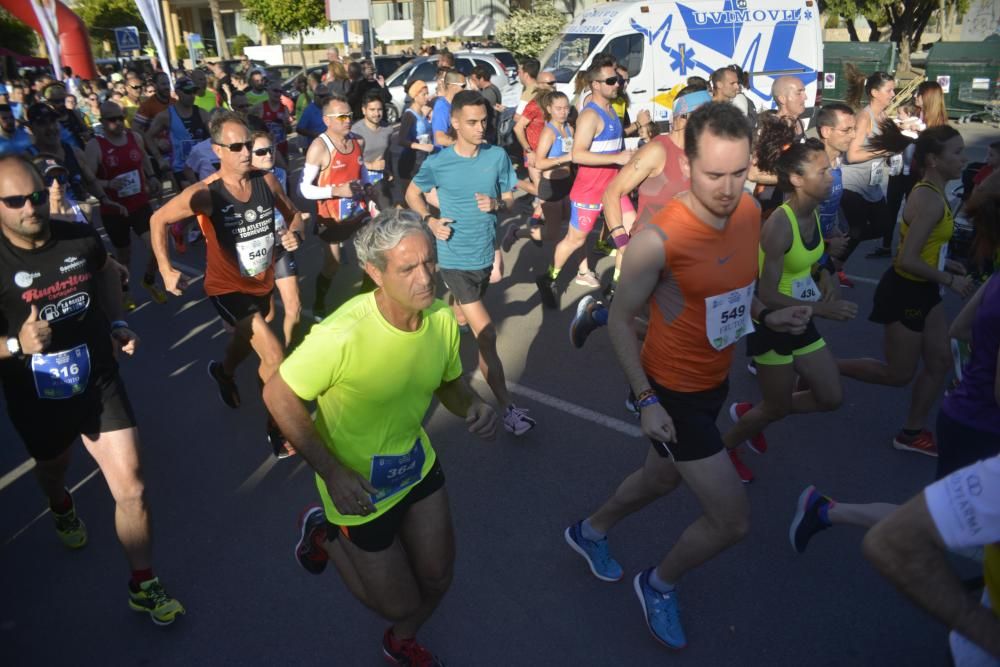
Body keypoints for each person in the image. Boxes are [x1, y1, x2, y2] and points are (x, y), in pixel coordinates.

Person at [562, 102, 811, 650]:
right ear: (687, 162)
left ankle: (590, 530)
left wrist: (770, 315)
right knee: (731, 519)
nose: (727, 188)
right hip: (671, 388)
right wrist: (646, 398)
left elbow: (735, 298)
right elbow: (623, 321)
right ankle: (658, 584)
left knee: (660, 477)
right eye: (713, 174)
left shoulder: (749, 214)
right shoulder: (660, 238)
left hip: (715, 378)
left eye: (739, 172)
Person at [266, 210, 496, 666]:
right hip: (357, 487)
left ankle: (401, 640)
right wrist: (331, 472)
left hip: (416, 467)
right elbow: (278, 393)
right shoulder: (342, 334)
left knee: (438, 577)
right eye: (407, 268)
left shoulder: (440, 320)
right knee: (395, 603)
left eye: (429, 262)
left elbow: (448, 382)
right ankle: (325, 534)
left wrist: (472, 404)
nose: (425, 277)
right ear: (374, 273)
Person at [0, 154, 184, 625]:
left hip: (97, 378)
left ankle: (143, 584)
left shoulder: (76, 234)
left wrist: (117, 319)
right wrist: (14, 343)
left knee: (133, 487)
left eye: (37, 196)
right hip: (36, 394)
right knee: (53, 467)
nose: (31, 208)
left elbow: (104, 270)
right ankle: (59, 503)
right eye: (15, 200)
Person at [149, 111, 305, 457]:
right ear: (217, 150)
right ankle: (277, 430)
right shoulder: (206, 194)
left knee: (245, 341)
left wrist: (293, 234)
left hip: (260, 282)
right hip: (225, 288)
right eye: (236, 147)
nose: (246, 152)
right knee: (273, 352)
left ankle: (223, 371)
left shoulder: (267, 181)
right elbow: (158, 218)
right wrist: (165, 268)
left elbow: (294, 215)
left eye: (248, 144)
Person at [722, 134, 858, 482]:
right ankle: (725, 450)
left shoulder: (813, 215)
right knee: (778, 406)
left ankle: (755, 413)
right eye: (823, 171)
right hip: (774, 324)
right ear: (797, 180)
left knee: (830, 397)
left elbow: (816, 256)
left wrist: (826, 274)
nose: (831, 177)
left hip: (802, 317)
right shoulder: (780, 225)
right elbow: (765, 292)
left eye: (830, 170)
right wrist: (823, 310)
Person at [839, 125, 976, 456]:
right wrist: (948, 279)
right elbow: (906, 260)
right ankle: (821, 367)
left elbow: (923, 250)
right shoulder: (928, 198)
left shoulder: (934, 190)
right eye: (956, 152)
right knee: (898, 374)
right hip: (906, 291)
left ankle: (912, 433)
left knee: (940, 361)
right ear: (932, 159)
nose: (964, 158)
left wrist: (945, 265)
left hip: (924, 289)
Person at [406, 90, 537, 436]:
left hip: (483, 254)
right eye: (473, 122)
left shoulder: (496, 157)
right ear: (455, 122)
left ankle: (438, 324)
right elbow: (411, 193)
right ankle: (508, 408)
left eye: (484, 121)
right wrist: (430, 220)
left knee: (462, 314)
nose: (481, 128)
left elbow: (510, 200)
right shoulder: (439, 162)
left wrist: (495, 204)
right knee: (487, 334)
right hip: (453, 258)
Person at [568, 89, 712, 349]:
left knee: (676, 329)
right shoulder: (658, 150)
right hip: (651, 253)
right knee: (670, 331)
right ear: (681, 118)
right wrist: (623, 242)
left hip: (688, 253)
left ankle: (599, 316)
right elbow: (613, 192)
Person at [535, 58, 634, 309]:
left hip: (615, 188)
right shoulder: (590, 115)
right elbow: (578, 154)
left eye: (619, 80)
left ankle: (616, 288)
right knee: (576, 240)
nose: (617, 84)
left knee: (631, 234)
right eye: (611, 81)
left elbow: (615, 149)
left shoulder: (613, 110)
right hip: (589, 190)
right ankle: (549, 278)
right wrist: (617, 157)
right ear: (595, 85)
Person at [83, 101, 166, 310]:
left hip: (139, 203)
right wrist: (108, 184)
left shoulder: (134, 137)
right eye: (112, 120)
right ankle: (126, 291)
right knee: (124, 256)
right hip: (114, 210)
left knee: (157, 245)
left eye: (121, 118)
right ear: (102, 122)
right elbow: (88, 179)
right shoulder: (95, 146)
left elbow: (143, 161)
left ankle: (148, 280)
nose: (118, 123)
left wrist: (152, 176)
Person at [300, 93, 375, 319]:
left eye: (349, 115)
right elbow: (303, 189)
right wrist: (335, 191)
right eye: (341, 116)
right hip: (330, 217)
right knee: (331, 265)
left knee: (371, 258)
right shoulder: (319, 147)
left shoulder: (357, 141)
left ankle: (364, 303)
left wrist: (368, 185)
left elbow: (361, 170)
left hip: (357, 211)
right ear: (327, 120)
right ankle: (320, 303)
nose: (348, 120)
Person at [501, 90, 574, 252]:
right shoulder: (548, 132)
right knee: (551, 234)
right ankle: (516, 233)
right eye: (558, 108)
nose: (563, 112)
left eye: (566, 108)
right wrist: (566, 158)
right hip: (551, 186)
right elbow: (540, 163)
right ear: (549, 109)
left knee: (568, 220)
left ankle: (534, 221)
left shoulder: (569, 129)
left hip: (567, 183)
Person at [250, 129, 302, 348]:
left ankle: (289, 353)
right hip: (256, 256)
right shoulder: (237, 185)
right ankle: (269, 355)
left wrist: (296, 231)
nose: (268, 156)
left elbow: (292, 211)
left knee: (295, 308)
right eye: (261, 152)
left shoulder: (278, 174)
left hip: (280, 246)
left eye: (270, 150)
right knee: (268, 315)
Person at [840, 67, 896, 261]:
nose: (893, 94)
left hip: (871, 182)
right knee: (856, 231)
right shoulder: (865, 117)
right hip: (853, 182)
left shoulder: (884, 116)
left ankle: (833, 248)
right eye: (889, 90)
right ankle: (833, 261)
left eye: (893, 90)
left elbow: (885, 148)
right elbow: (852, 155)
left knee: (883, 226)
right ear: (874, 93)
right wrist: (884, 150)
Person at [813, 103, 857, 287]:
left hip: (824, 252)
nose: (853, 135)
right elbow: (797, 223)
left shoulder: (836, 162)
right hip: (807, 258)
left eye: (853, 129)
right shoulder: (813, 169)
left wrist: (833, 229)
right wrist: (827, 244)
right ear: (826, 132)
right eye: (846, 130)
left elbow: (826, 209)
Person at [391, 81, 434, 205]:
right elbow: (401, 140)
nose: (427, 97)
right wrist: (421, 146)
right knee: (412, 199)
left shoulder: (422, 112)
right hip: (410, 162)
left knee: (423, 196)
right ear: (415, 96)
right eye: (423, 95)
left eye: (427, 94)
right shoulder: (409, 115)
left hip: (422, 159)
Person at [351, 91, 394, 211]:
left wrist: (389, 171)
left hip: (382, 178)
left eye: (379, 109)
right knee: (386, 209)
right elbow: (351, 161)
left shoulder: (388, 129)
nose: (376, 113)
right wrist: (371, 165)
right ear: (364, 110)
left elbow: (388, 154)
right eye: (372, 109)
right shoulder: (355, 132)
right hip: (362, 179)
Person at [254, 80, 293, 160]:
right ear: (268, 91)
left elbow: (289, 131)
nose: (278, 94)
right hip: (266, 148)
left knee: (285, 171)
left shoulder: (284, 108)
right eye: (275, 91)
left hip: (281, 147)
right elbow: (247, 116)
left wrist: (286, 125)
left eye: (280, 91)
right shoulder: (261, 106)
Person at [431, 71, 466, 148]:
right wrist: (466, 143)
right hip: (444, 156)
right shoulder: (442, 107)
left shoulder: (454, 104)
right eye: (463, 86)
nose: (465, 89)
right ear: (451, 86)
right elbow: (440, 138)